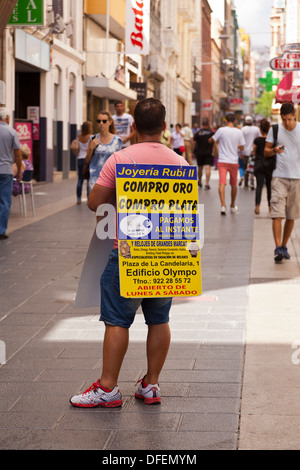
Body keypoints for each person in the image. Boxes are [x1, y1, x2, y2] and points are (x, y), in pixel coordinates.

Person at [70, 98, 188, 408]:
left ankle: (108, 388)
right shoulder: (180, 162)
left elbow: (95, 202)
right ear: (164, 127)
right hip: (167, 252)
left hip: (128, 250)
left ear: (133, 126)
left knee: (117, 321)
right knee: (159, 319)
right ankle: (151, 385)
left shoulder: (121, 159)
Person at [264, 102, 300, 263]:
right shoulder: (275, 129)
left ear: (295, 116)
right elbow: (266, 151)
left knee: (291, 216)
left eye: (290, 119)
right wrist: (274, 151)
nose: (287, 123)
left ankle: (284, 245)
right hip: (279, 176)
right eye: (284, 119)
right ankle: (278, 247)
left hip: (297, 178)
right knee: (277, 214)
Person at [209, 113, 245, 215]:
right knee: (234, 185)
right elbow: (242, 147)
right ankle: (233, 205)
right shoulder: (239, 132)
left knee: (222, 183)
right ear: (234, 121)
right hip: (234, 161)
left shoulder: (221, 130)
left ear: (225, 121)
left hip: (222, 161)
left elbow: (212, 139)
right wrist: (236, 146)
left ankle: (223, 206)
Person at [85, 111, 122, 192]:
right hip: (94, 180)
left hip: (110, 181)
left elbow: (119, 163)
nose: (101, 123)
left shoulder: (117, 140)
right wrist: (91, 148)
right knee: (94, 204)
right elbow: (87, 160)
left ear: (110, 122)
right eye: (99, 121)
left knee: (109, 205)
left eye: (104, 121)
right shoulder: (93, 138)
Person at [0, 107, 22, 240]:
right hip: (6, 170)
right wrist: (19, 170)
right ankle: (1, 230)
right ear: (7, 118)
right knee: (4, 201)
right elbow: (18, 154)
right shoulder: (11, 132)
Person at [253, 119, 272, 215]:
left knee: (259, 186)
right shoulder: (271, 140)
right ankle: (269, 207)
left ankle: (257, 206)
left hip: (259, 165)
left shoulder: (257, 140)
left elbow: (253, 151)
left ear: (260, 129)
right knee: (269, 187)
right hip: (269, 166)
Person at [71, 121, 93, 204]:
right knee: (88, 179)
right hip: (88, 159)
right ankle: (88, 197)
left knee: (80, 179)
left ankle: (78, 198)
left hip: (80, 159)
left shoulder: (79, 137)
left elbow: (78, 148)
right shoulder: (91, 137)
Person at [193, 117, 214, 189]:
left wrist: (193, 151)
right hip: (209, 153)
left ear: (202, 124)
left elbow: (194, 142)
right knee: (208, 168)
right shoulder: (211, 133)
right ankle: (207, 184)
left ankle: (200, 181)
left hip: (200, 152)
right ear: (208, 124)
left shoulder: (198, 133)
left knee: (200, 168)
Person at [241, 115, 260, 189]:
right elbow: (259, 138)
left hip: (245, 152)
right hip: (253, 152)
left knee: (245, 167)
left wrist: (240, 152)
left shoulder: (243, 129)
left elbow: (240, 141)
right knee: (252, 167)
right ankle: (252, 182)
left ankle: (246, 183)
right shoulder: (256, 129)